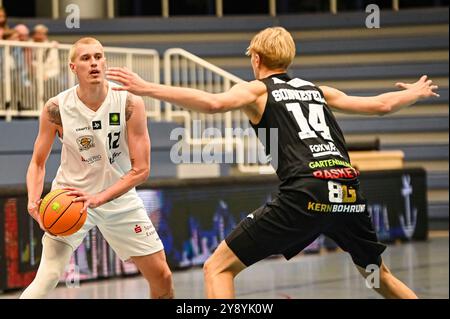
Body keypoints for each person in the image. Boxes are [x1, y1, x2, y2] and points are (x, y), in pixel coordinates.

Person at [106, 27, 439, 299]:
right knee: (377, 276)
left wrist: (148, 88)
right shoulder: (318, 90)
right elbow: (380, 105)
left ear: (256, 58)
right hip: (347, 190)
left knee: (218, 268)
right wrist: (414, 92)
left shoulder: (259, 91)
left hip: (306, 190)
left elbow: (212, 103)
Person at [22, 37, 173, 299]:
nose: (94, 63)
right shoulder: (55, 108)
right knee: (47, 277)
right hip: (71, 198)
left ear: (105, 61)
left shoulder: (129, 103)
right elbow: (38, 162)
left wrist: (99, 198)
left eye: (98, 56)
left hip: (118, 198)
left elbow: (142, 170)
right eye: (85, 58)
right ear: (72, 68)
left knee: (162, 276)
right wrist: (33, 200)